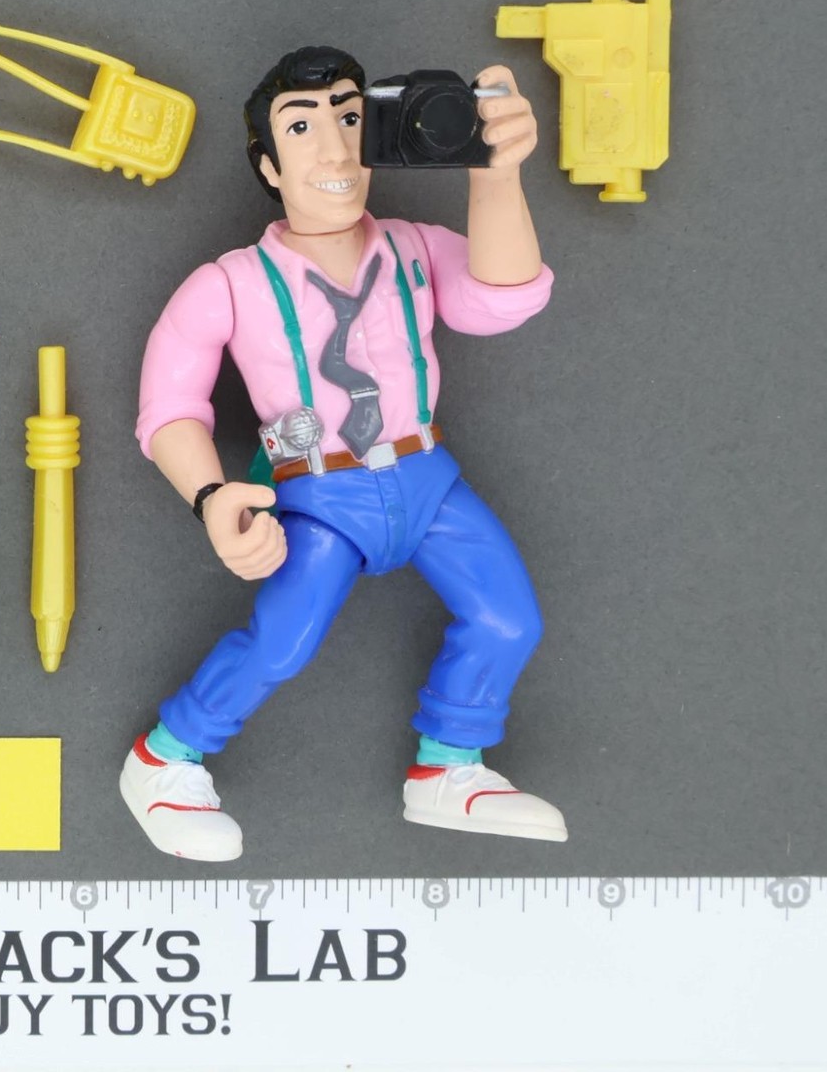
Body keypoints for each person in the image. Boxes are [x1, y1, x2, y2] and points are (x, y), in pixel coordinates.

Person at [122, 46, 566, 861]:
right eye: (301, 127)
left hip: (425, 478)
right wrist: (211, 496)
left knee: (508, 617)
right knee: (282, 642)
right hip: (322, 496)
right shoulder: (228, 284)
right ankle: (165, 759)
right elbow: (169, 408)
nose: (334, 149)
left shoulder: (414, 249)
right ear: (267, 164)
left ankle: (448, 767)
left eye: (352, 118)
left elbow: (501, 298)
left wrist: (495, 173)